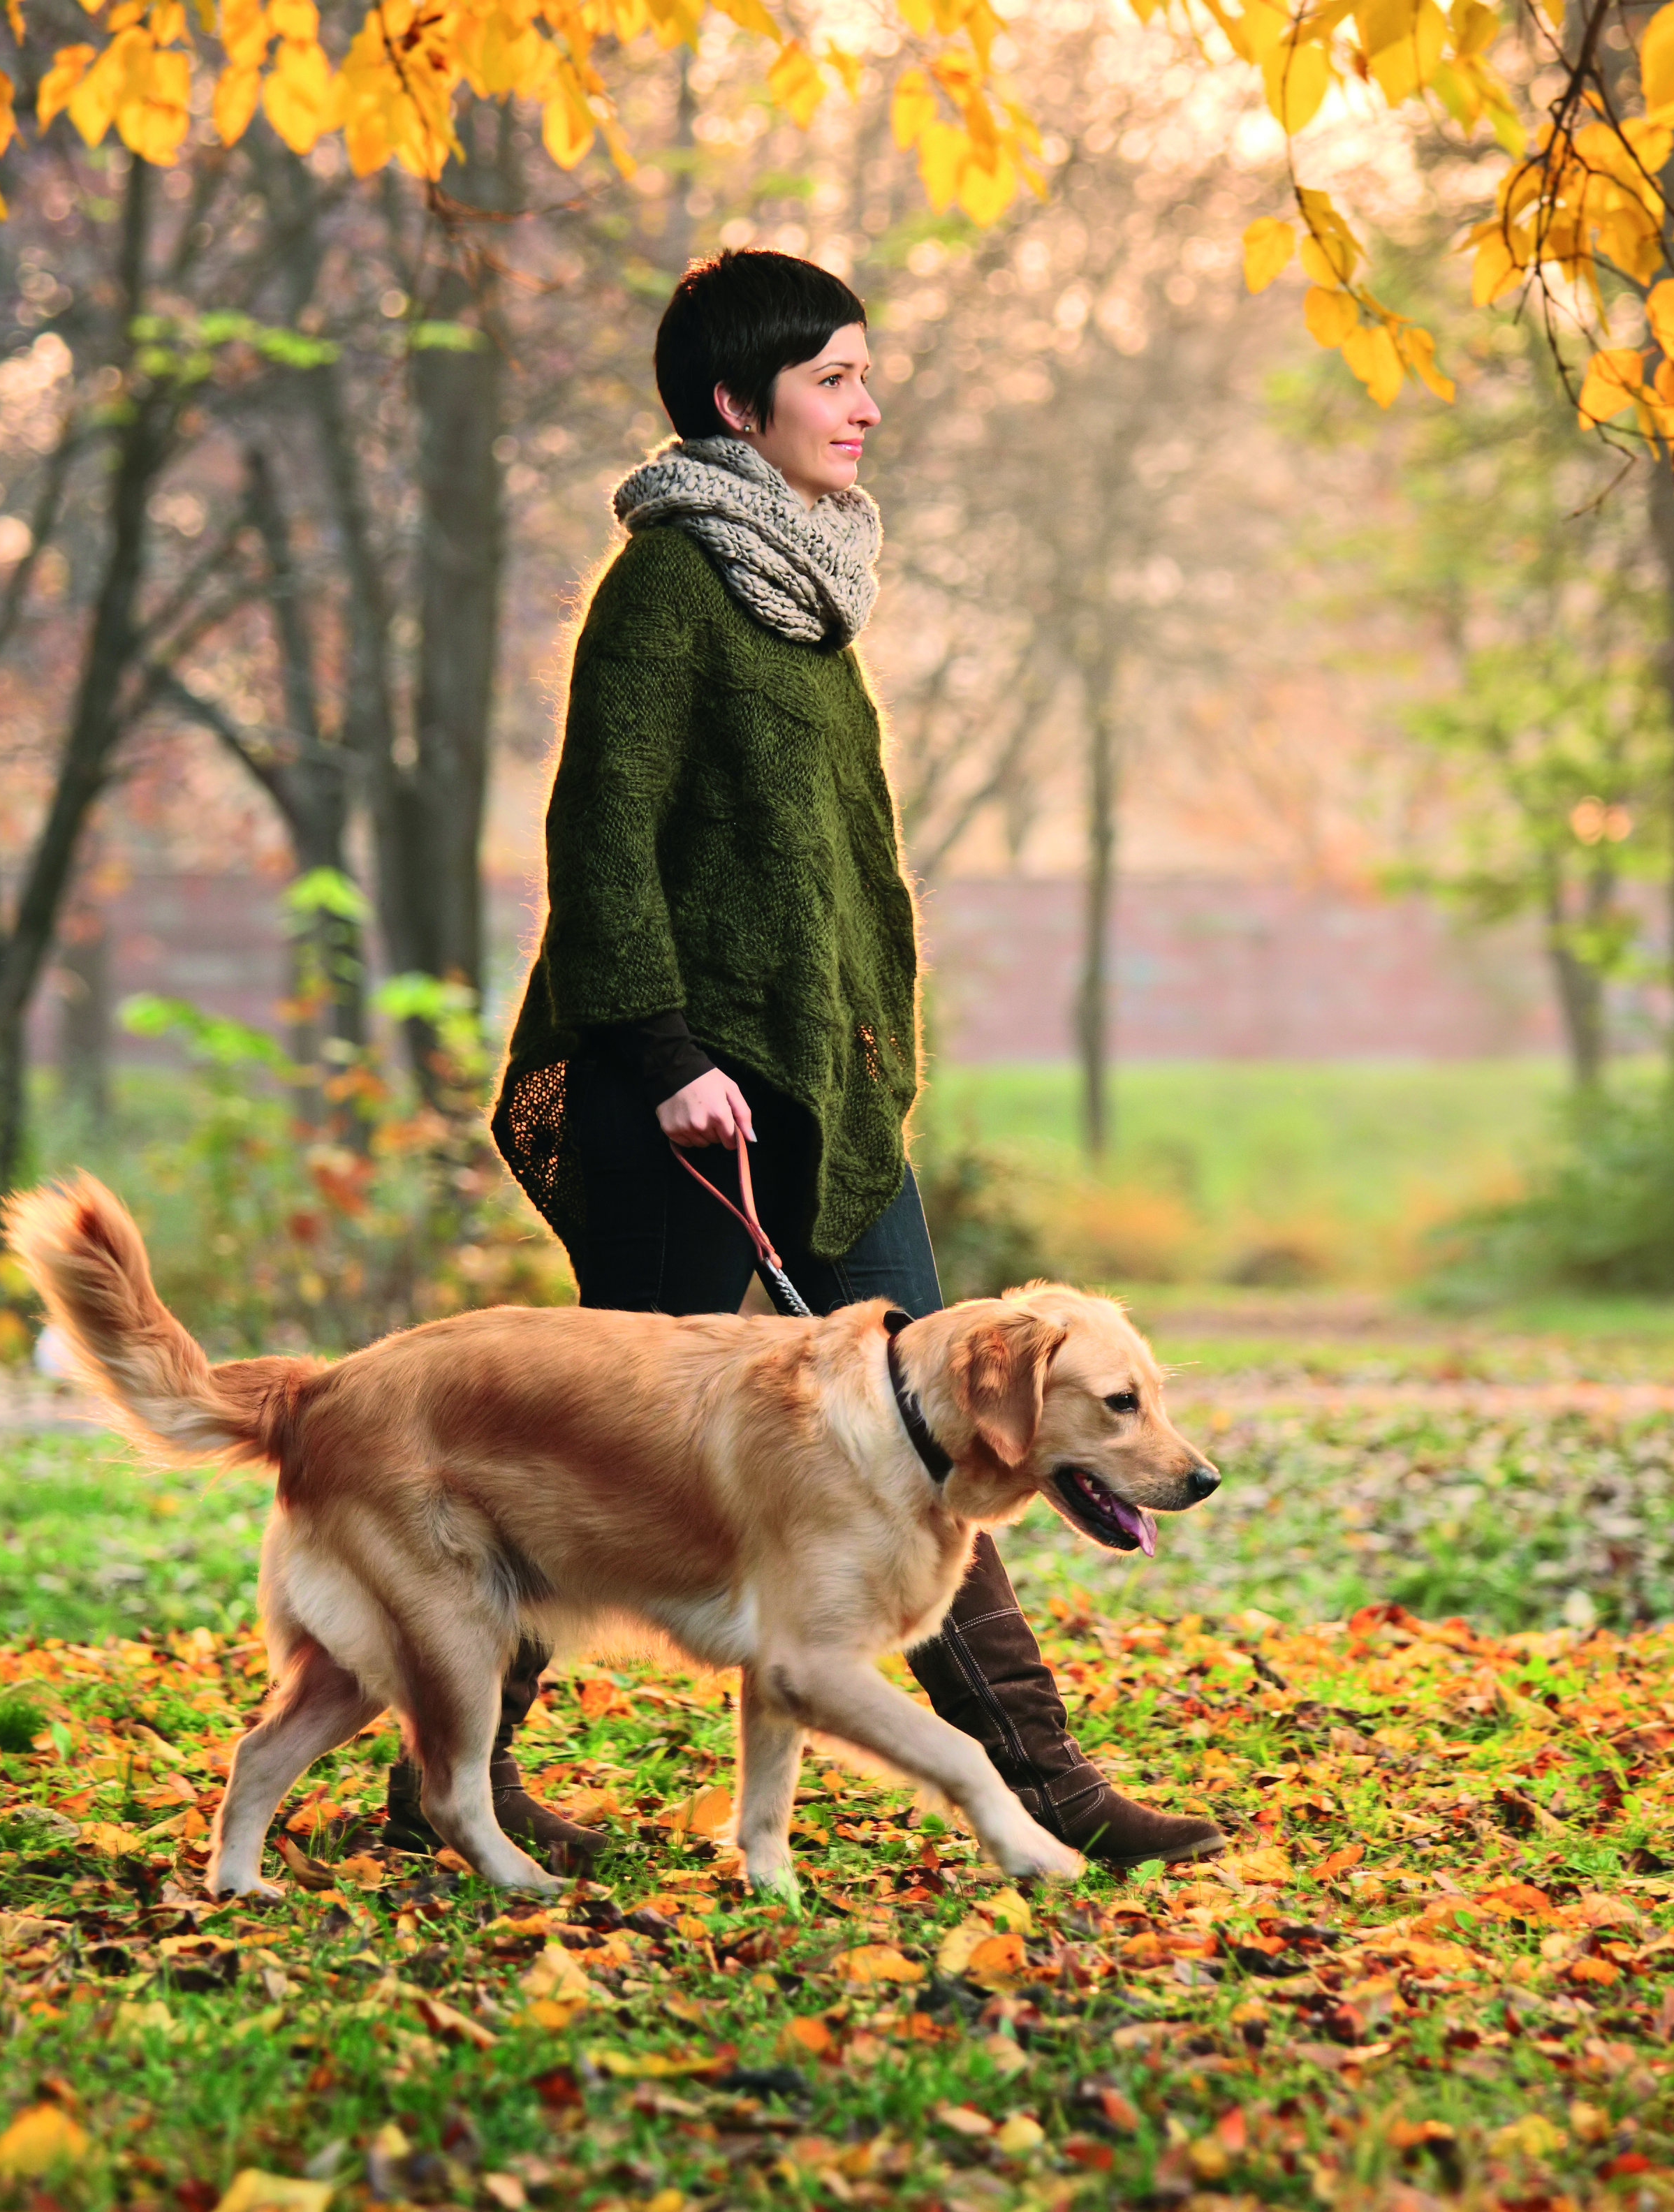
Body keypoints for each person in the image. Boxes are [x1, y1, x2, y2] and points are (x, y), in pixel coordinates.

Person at [377, 247, 1224, 1875]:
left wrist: (863, 1062)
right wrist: (673, 1052)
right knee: (594, 1441)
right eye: (833, 377)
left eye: (863, 373)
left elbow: (825, 879)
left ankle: (1039, 1779)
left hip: (823, 1104)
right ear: (731, 401)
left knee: (954, 1422)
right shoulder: (669, 587)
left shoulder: (812, 594)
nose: (867, 404)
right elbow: (600, 844)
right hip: (681, 1102)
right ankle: (444, 1785)